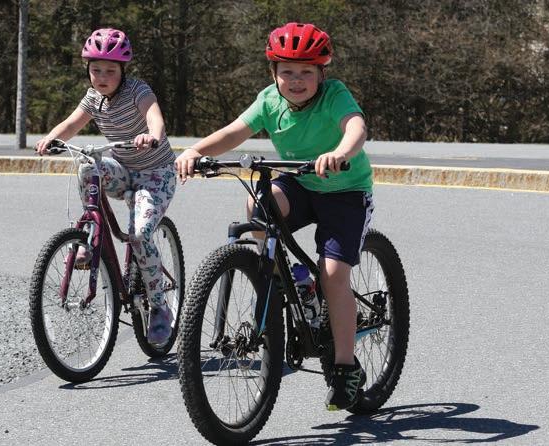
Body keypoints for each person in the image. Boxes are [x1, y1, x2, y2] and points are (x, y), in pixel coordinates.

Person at [175, 22, 374, 411]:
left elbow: (356, 127)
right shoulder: (269, 101)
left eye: (306, 72)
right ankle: (292, 280)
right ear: (273, 73)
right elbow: (235, 132)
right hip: (300, 183)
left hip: (345, 190)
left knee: (334, 274)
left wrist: (341, 153)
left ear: (321, 74)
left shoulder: (334, 95)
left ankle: (345, 366)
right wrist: (196, 151)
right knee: (257, 206)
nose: (296, 80)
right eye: (287, 72)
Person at [36, 28, 177, 345]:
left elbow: (155, 117)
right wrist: (51, 139)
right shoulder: (93, 98)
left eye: (110, 70)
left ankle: (159, 307)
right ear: (88, 69)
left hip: (156, 174)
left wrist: (151, 135)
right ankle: (90, 239)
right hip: (124, 170)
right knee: (89, 168)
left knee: (140, 235)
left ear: (123, 70)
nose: (102, 77)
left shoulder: (138, 90)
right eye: (96, 69)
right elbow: (71, 124)